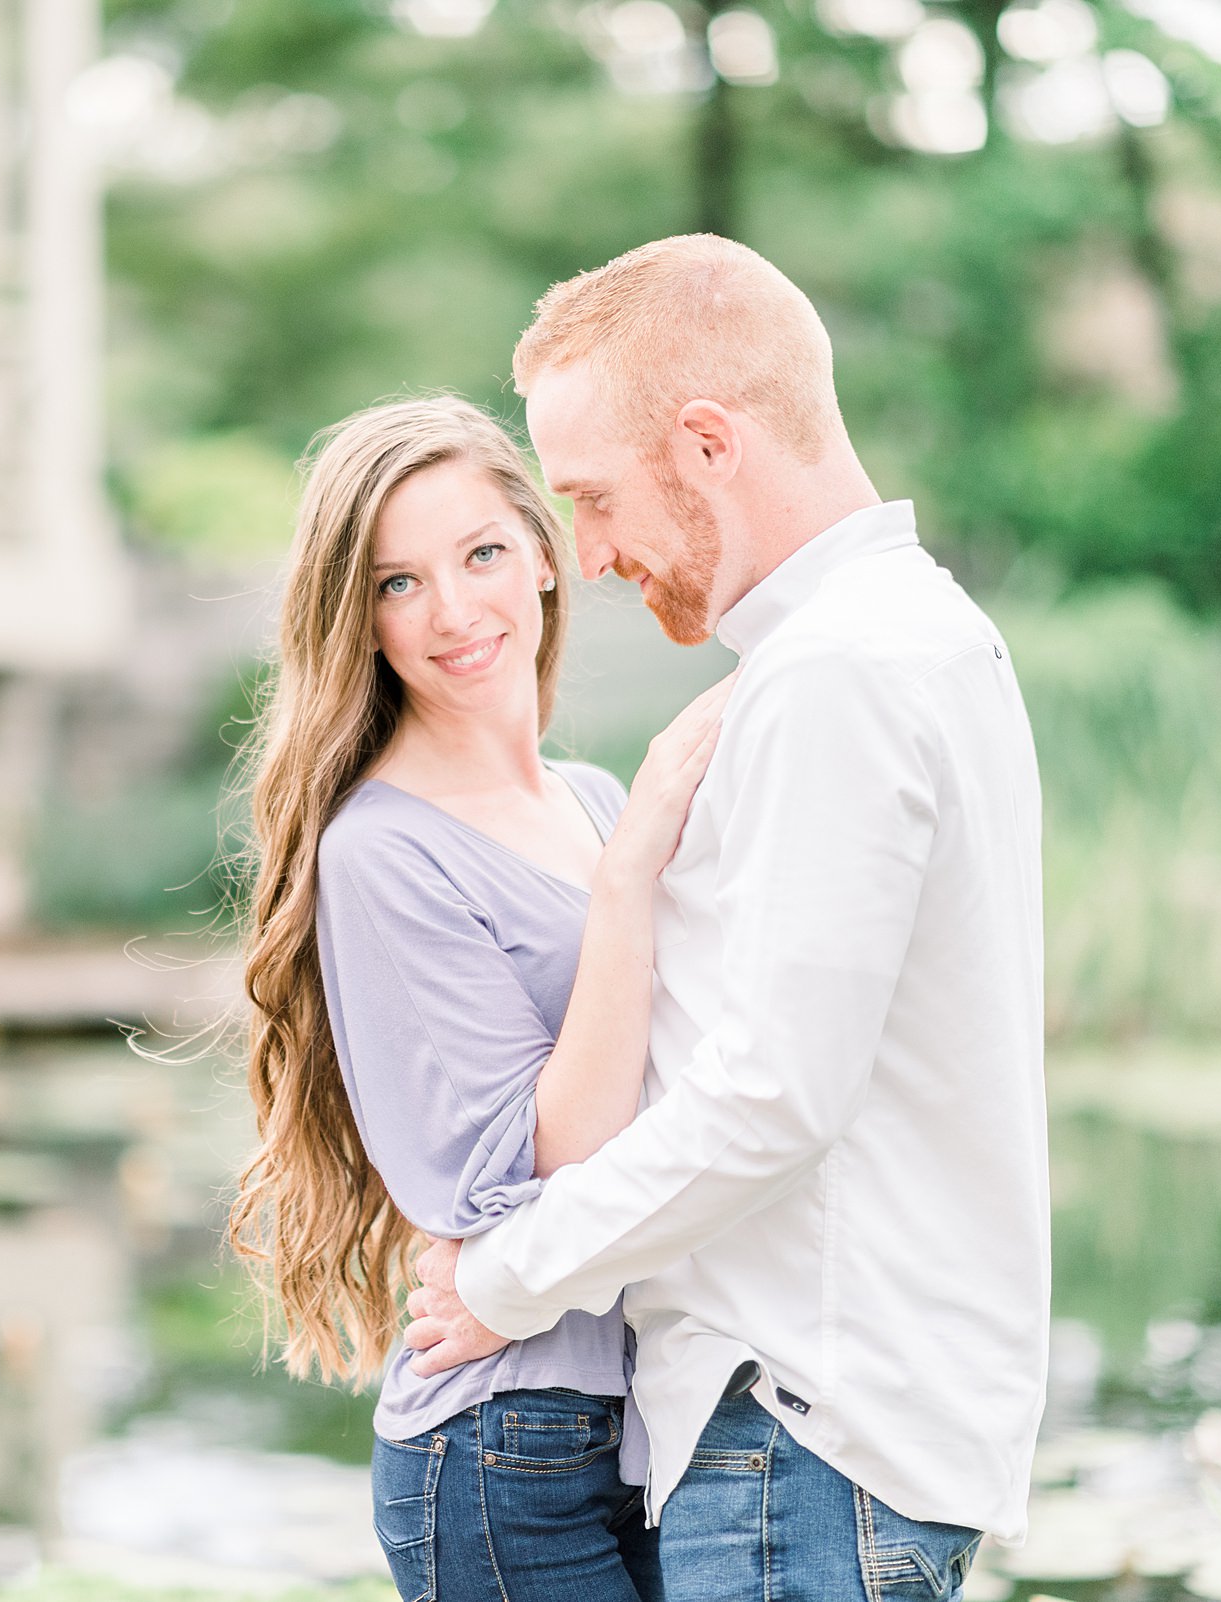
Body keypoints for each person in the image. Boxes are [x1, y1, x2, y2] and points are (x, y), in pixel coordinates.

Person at [401, 235, 1050, 1602]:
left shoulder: (842, 672)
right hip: (841, 1433)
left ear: (706, 444)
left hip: (801, 1439)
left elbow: (770, 1094)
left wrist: (504, 1278)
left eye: (591, 497)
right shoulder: (925, 634)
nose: (583, 552)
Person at [228, 394, 728, 1602]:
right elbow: (547, 1161)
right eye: (398, 584)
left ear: (546, 562)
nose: (453, 611)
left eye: (482, 554)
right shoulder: (384, 853)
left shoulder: (596, 799)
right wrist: (632, 871)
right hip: (508, 1451)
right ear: (360, 622)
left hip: (653, 1417)